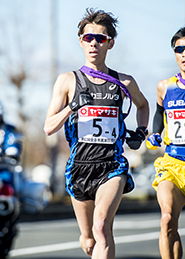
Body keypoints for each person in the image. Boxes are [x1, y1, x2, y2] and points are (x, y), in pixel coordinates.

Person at [44, 8, 149, 259]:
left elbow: (143, 105)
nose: (94, 43)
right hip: (79, 167)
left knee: (101, 226)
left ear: (110, 43)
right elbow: (48, 127)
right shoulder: (67, 81)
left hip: (111, 166)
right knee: (89, 239)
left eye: (100, 39)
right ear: (80, 41)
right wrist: (72, 106)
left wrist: (142, 132)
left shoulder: (124, 83)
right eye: (88, 37)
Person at [146, 27, 185, 259]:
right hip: (172, 163)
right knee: (167, 219)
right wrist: (155, 133)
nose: (184, 54)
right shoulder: (165, 86)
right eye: (179, 49)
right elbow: (159, 113)